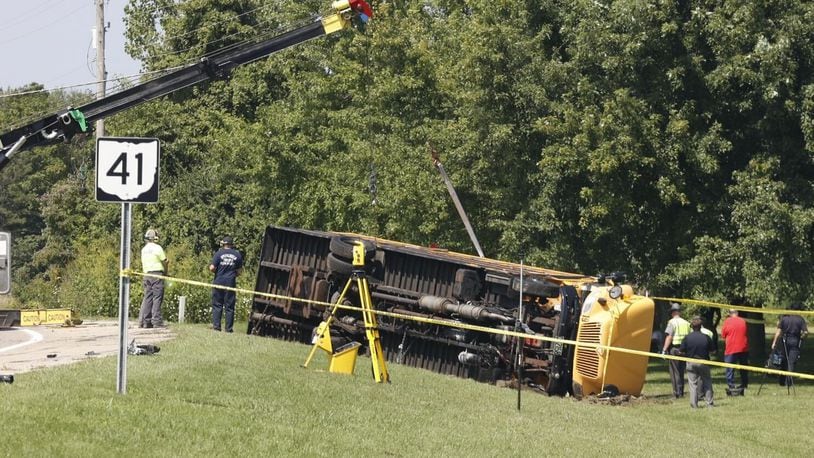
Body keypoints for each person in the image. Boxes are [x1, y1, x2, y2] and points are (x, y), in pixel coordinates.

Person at [209, 236, 244, 333]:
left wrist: (217, 272)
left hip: (218, 281)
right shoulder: (237, 255)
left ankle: (216, 327)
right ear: (232, 244)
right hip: (230, 282)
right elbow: (240, 271)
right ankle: (228, 329)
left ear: (223, 244)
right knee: (229, 307)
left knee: (217, 305)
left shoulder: (218, 253)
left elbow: (212, 268)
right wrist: (232, 275)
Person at [680, 316, 715, 408]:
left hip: (691, 362)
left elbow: (681, 351)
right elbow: (713, 351)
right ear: (701, 326)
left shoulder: (687, 338)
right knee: (707, 382)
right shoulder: (706, 337)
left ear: (692, 326)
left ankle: (694, 405)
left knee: (693, 385)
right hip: (704, 362)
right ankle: (709, 404)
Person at [771, 303, 809, 386]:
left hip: (784, 340)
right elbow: (805, 332)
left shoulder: (784, 319)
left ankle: (781, 380)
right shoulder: (800, 319)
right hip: (795, 340)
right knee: (791, 361)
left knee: (783, 360)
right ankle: (788, 381)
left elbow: (778, 332)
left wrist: (774, 342)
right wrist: (802, 338)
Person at [139, 228, 168, 328]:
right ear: (155, 238)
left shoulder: (143, 250)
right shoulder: (157, 248)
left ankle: (146, 321)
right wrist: (166, 271)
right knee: (157, 298)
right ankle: (156, 321)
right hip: (157, 274)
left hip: (146, 275)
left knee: (148, 298)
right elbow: (165, 261)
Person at [662, 303, 691, 398]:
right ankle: (681, 391)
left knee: (675, 372)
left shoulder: (671, 322)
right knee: (681, 372)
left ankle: (677, 393)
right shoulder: (686, 323)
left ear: (673, 312)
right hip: (684, 350)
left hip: (674, 349)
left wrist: (664, 349)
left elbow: (669, 337)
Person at [721, 309, 749, 394]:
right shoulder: (743, 321)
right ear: (737, 313)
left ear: (730, 313)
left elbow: (723, 335)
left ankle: (731, 384)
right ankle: (744, 383)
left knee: (730, 368)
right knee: (743, 367)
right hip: (743, 347)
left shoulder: (727, 321)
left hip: (731, 348)